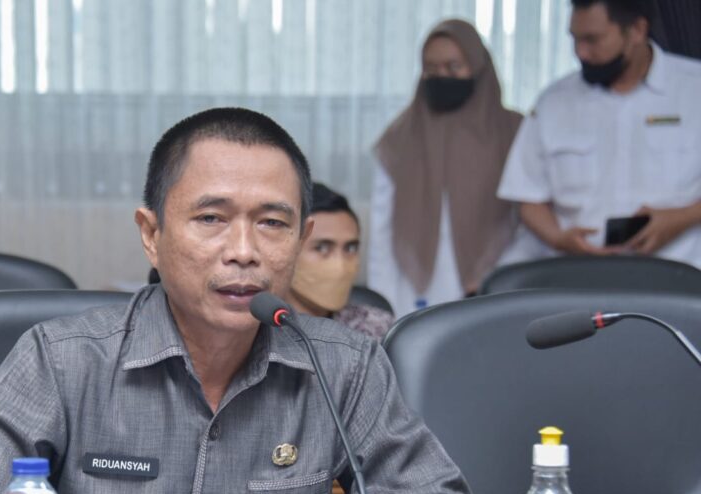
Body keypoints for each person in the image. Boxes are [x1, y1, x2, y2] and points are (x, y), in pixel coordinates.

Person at [0, 107, 500, 494]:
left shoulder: (344, 366)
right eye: (211, 219)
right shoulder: (62, 360)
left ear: (300, 238)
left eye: (272, 223)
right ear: (151, 234)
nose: (243, 252)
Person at [498, 0, 701, 263]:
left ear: (637, 30)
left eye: (592, 40)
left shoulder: (693, 90)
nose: (580, 52)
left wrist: (681, 218)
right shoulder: (554, 103)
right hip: (580, 274)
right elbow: (527, 197)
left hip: (680, 273)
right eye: (575, 39)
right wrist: (558, 238)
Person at [368, 19, 523, 317]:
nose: (442, 76)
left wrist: (497, 275)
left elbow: (530, 221)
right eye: (431, 68)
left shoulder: (514, 132)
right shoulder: (402, 135)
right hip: (412, 288)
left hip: (496, 283)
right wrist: (382, 307)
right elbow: (382, 229)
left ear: (477, 67)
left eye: (453, 67)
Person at [285, 182, 394, 339]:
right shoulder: (255, 331)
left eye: (350, 248)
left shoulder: (376, 328)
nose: (340, 266)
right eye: (322, 248)